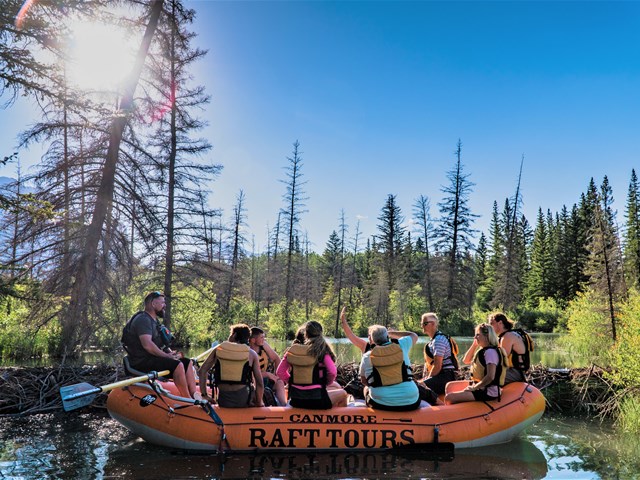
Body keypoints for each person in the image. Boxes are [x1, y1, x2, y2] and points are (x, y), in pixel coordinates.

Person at [121, 291, 198, 399]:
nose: (164, 305)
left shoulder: (154, 321)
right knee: (177, 365)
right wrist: (166, 356)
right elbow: (147, 345)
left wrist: (171, 354)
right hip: (140, 361)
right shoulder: (143, 320)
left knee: (186, 362)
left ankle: (194, 394)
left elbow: (161, 344)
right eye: (162, 303)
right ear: (153, 304)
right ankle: (187, 398)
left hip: (152, 359)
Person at [277, 321, 348, 409]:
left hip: (296, 400)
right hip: (317, 399)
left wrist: (291, 382)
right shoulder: (322, 352)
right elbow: (333, 372)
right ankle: (335, 420)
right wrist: (326, 383)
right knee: (343, 394)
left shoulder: (291, 352)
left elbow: (280, 372)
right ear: (321, 333)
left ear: (305, 334)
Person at [198, 324, 264, 408]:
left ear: (234, 335)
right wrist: (259, 402)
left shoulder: (218, 349)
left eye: (230, 334)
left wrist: (204, 395)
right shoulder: (252, 354)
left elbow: (202, 371)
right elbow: (260, 383)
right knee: (256, 390)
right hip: (243, 399)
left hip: (223, 400)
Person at [359, 325, 421, 411]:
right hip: (411, 401)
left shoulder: (367, 356)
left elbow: (364, 381)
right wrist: (391, 333)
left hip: (381, 403)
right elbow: (414, 335)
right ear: (387, 336)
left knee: (366, 388)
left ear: (372, 340)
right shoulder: (402, 345)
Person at [445, 323, 507, 404]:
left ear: (486, 336)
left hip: (488, 392)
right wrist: (474, 345)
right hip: (480, 388)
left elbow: (490, 377)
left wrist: (474, 388)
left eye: (477, 335)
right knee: (450, 386)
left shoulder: (490, 352)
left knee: (449, 397)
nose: (475, 337)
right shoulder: (483, 350)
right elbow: (466, 360)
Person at [419, 312, 459, 395]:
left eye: (425, 323)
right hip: (441, 376)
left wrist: (427, 380)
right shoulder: (433, 340)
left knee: (419, 388)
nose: (422, 326)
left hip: (445, 377)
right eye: (421, 323)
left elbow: (437, 366)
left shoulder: (438, 340)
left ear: (433, 324)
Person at [488, 312, 533, 384]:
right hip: (515, 371)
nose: (490, 327)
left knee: (489, 378)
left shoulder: (507, 337)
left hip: (515, 373)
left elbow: (501, 360)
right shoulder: (509, 334)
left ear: (500, 323)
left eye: (491, 324)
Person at [249, 327, 287, 406]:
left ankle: (283, 407)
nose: (264, 339)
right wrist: (267, 374)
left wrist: (277, 376)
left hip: (265, 379)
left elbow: (276, 359)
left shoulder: (264, 346)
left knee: (279, 382)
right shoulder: (247, 351)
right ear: (253, 340)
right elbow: (250, 374)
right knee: (257, 384)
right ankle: (260, 404)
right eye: (261, 337)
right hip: (254, 381)